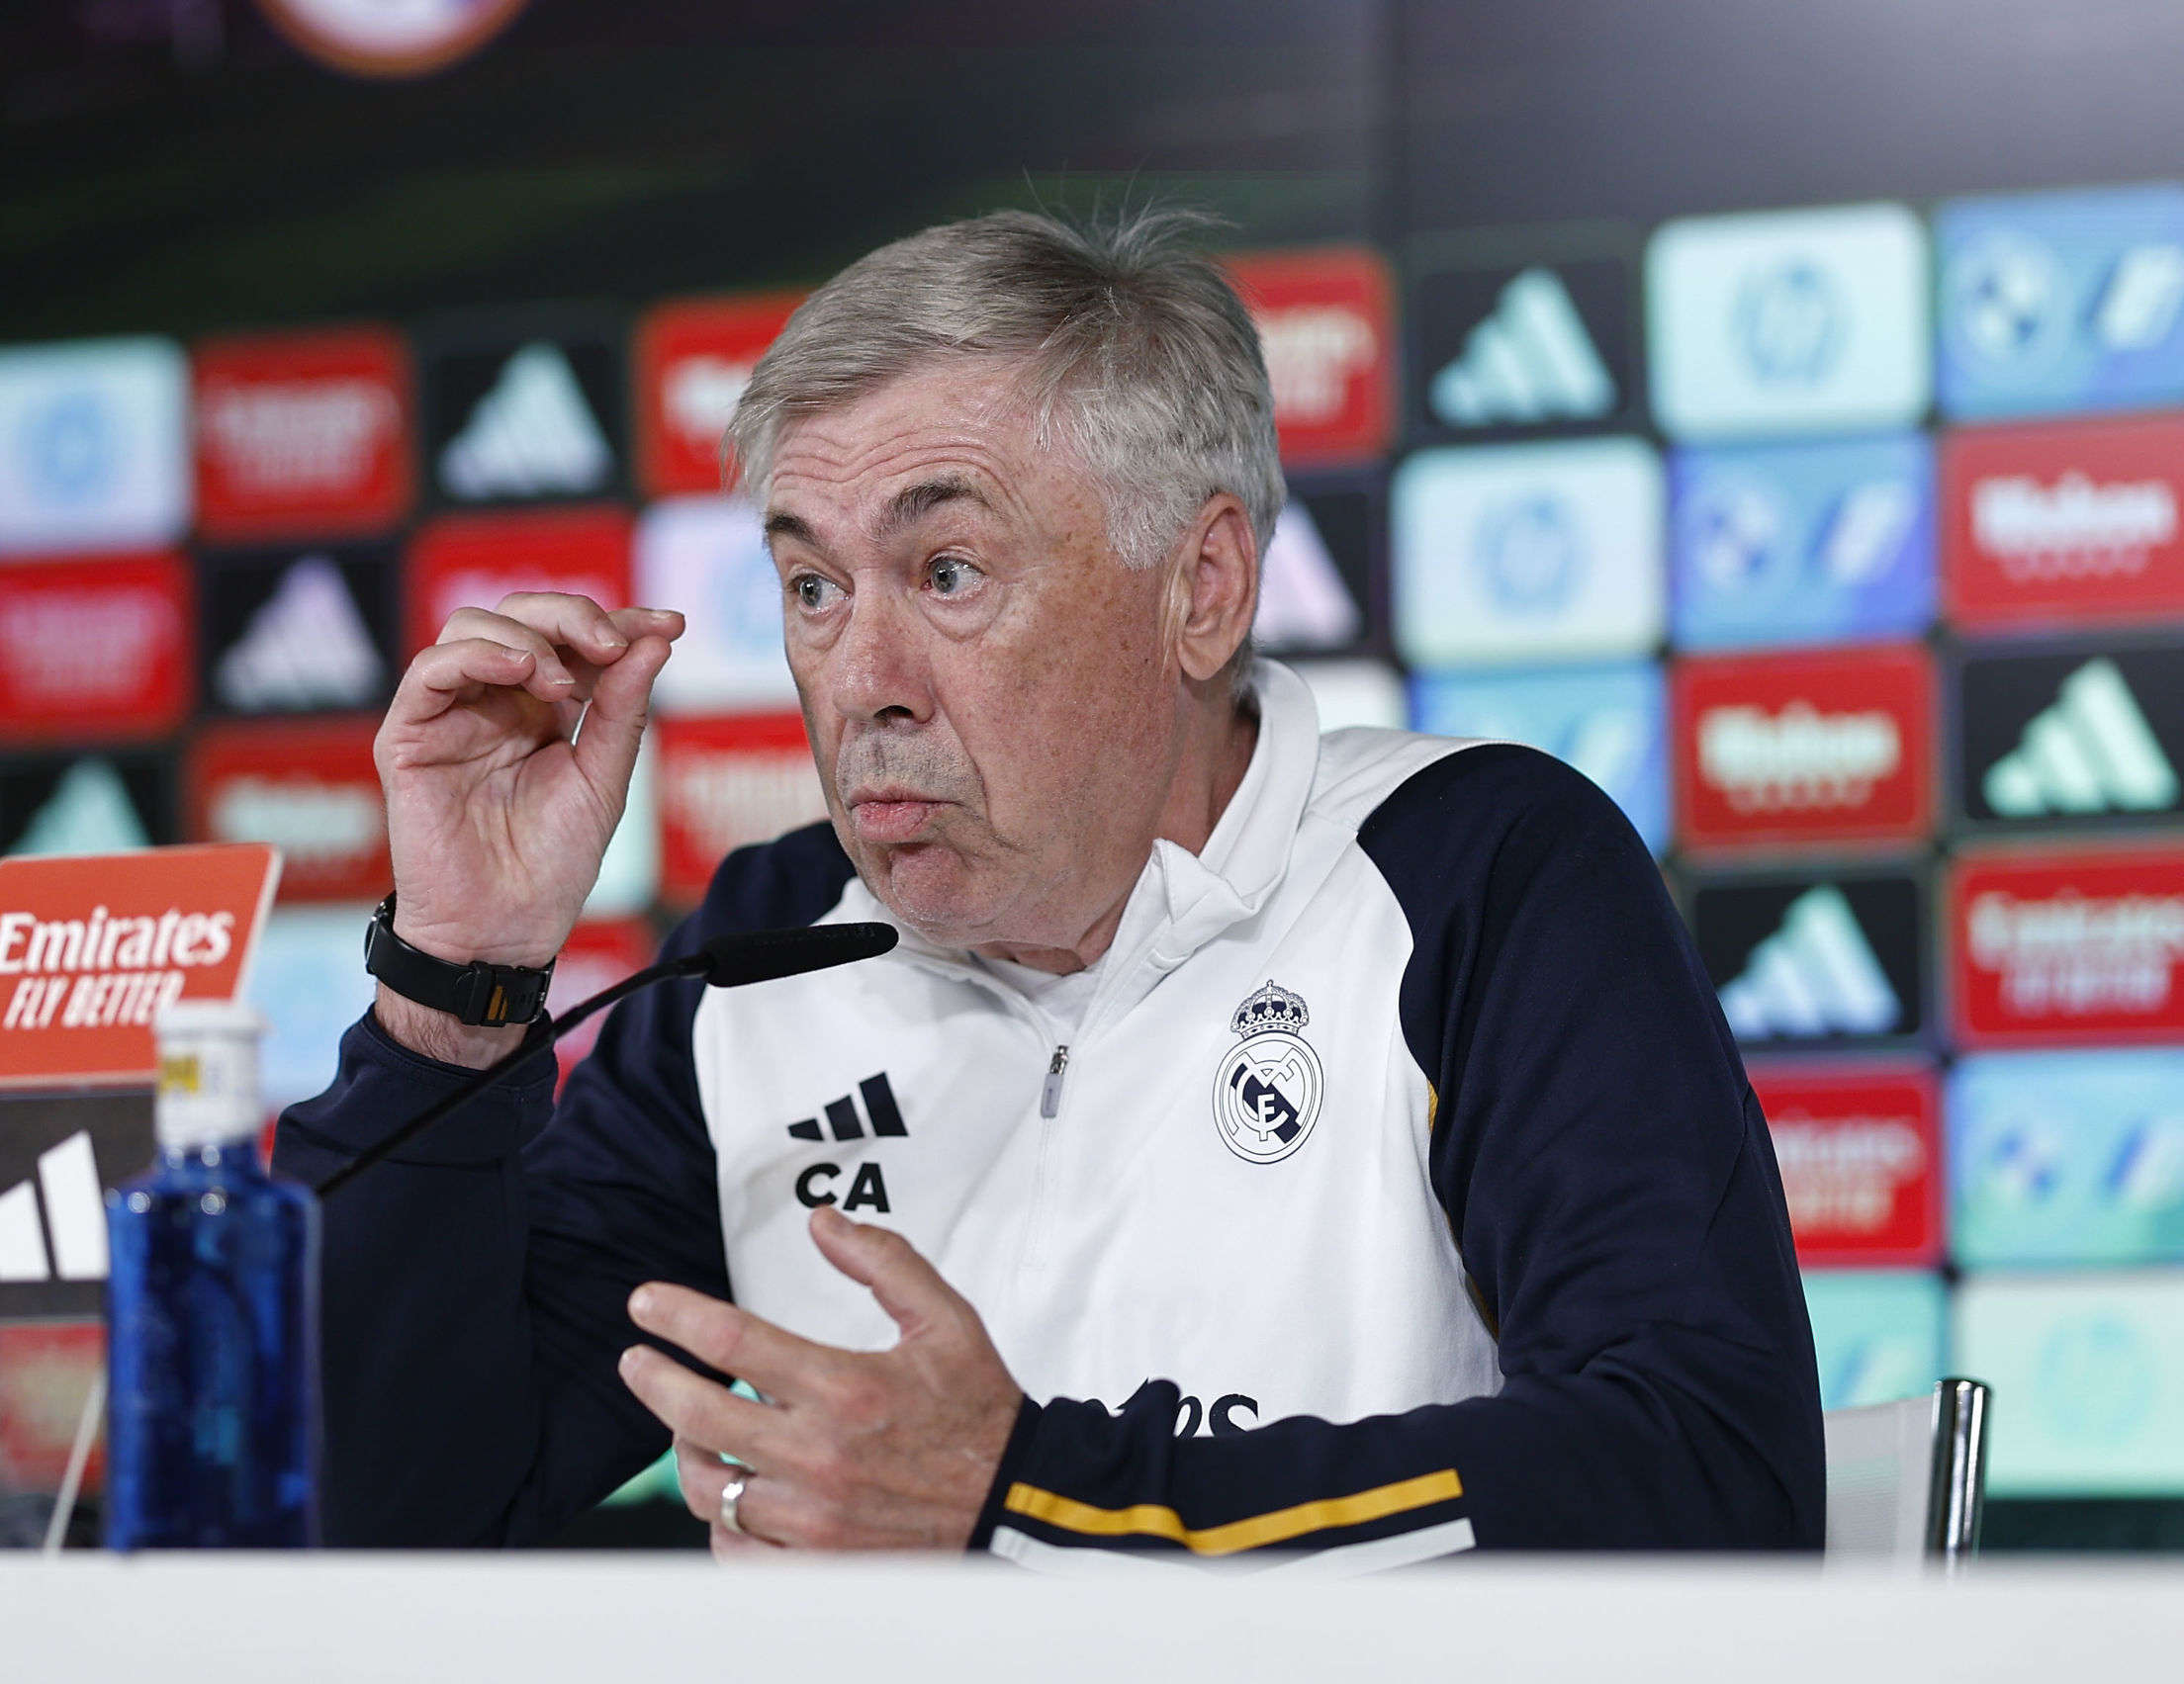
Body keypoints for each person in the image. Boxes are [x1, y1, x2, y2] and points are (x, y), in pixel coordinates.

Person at [275, 208, 1825, 1566]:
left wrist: (1022, 1496)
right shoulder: (764, 951)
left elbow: (1708, 1477)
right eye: (812, 587)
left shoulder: (1475, 872)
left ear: (1200, 590)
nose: (860, 680)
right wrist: (455, 985)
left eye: (948, 572)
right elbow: (393, 1515)